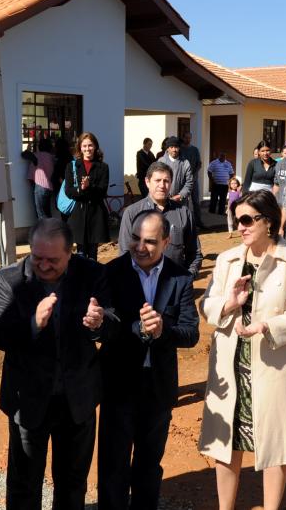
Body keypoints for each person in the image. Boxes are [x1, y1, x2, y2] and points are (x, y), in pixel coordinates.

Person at [199, 189, 286, 510]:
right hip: (232, 366)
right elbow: (206, 304)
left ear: (268, 221)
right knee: (227, 445)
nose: (242, 227)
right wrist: (228, 304)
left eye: (248, 219)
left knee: (275, 446)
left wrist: (267, 326)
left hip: (274, 367)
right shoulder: (227, 261)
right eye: (238, 221)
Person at [0, 218, 112, 509]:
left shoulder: (92, 274)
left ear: (70, 252)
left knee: (72, 484)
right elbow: (1, 335)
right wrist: (33, 323)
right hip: (29, 399)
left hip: (77, 398)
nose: (43, 266)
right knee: (24, 485)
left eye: (53, 260)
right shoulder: (10, 279)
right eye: (37, 258)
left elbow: (114, 322)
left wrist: (100, 323)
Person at [98, 210, 199, 509]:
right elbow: (108, 325)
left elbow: (190, 333)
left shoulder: (180, 278)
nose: (141, 247)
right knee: (113, 464)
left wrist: (162, 330)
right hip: (119, 382)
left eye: (151, 241)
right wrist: (136, 329)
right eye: (136, 239)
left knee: (149, 464)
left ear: (166, 242)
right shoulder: (112, 272)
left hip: (158, 386)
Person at [117, 161, 203, 278]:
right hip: (141, 287)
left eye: (166, 181)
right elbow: (125, 254)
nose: (162, 185)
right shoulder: (132, 213)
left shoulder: (184, 212)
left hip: (176, 284)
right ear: (147, 182)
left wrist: (186, 277)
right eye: (157, 180)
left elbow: (194, 253)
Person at [66, 131, 110, 260]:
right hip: (78, 214)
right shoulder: (72, 166)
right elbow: (69, 191)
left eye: (90, 145)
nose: (87, 149)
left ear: (95, 146)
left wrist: (89, 187)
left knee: (92, 253)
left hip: (96, 214)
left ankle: (92, 278)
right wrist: (81, 189)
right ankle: (82, 279)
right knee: (80, 252)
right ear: (80, 147)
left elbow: (102, 191)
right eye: (84, 146)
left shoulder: (103, 167)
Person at [23, 137, 55, 220]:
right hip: (50, 187)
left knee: (41, 214)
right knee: (47, 213)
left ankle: (43, 232)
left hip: (40, 187)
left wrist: (30, 145)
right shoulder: (52, 157)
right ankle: (50, 231)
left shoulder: (37, 155)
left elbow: (24, 154)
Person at [158, 136, 194, 204]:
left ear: (179, 148)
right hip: (164, 201)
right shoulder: (161, 162)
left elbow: (189, 182)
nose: (174, 150)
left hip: (181, 202)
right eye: (171, 147)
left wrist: (180, 195)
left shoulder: (185, 163)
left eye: (176, 147)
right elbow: (157, 180)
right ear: (168, 148)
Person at [180, 132, 204, 229]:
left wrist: (193, 175)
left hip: (194, 179)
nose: (188, 139)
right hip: (183, 181)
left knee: (196, 202)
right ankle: (185, 222)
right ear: (183, 138)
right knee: (184, 202)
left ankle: (198, 221)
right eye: (186, 138)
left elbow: (199, 164)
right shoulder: (180, 150)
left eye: (190, 138)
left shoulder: (195, 150)